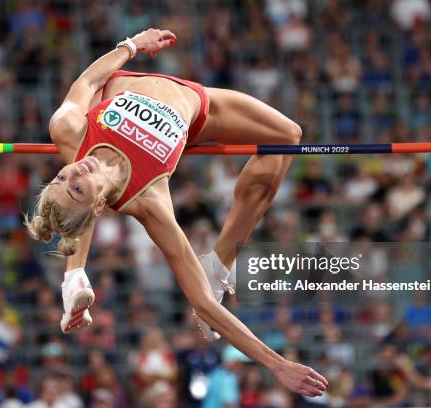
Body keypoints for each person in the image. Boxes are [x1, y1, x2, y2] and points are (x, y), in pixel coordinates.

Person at [25, 28, 327, 397]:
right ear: (99, 206)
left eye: (60, 175)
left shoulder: (69, 131)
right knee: (288, 135)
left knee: (288, 135)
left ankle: (80, 276)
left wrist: (132, 45)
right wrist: (277, 365)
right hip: (200, 109)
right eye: (75, 187)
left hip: (128, 81)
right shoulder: (149, 201)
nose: (73, 171)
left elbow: (89, 79)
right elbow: (202, 304)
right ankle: (211, 266)